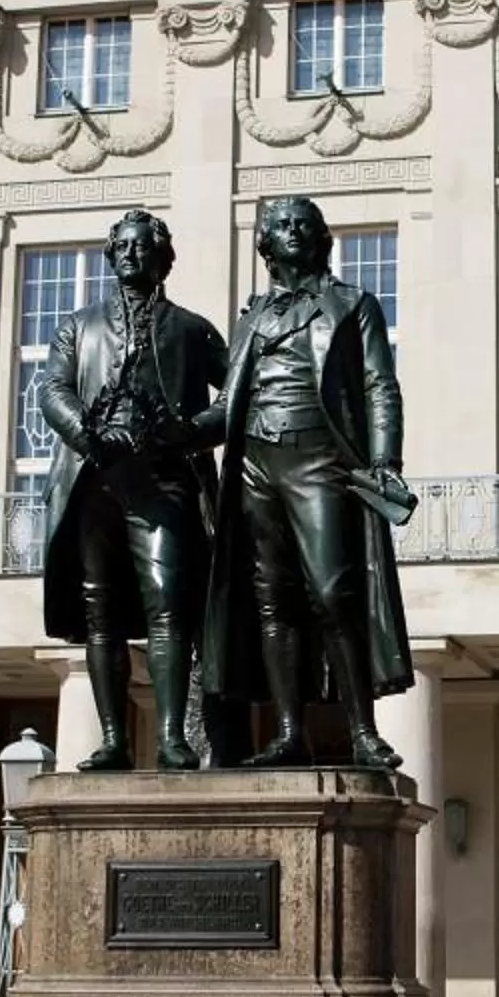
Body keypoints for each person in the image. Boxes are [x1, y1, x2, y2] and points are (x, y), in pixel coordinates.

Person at [200, 195, 415, 770]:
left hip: (318, 457)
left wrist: (384, 459)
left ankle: (361, 729)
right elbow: (227, 409)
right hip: (254, 464)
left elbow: (379, 386)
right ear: (265, 245)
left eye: (303, 224)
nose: (292, 231)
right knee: (273, 601)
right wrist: (166, 433)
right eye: (280, 225)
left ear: (322, 240)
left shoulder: (353, 305)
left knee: (332, 591)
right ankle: (290, 730)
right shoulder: (251, 319)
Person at [36, 210, 229, 770]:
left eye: (143, 246)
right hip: (92, 479)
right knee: (101, 610)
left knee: (167, 600)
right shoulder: (78, 325)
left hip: (163, 480)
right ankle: (114, 738)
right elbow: (52, 389)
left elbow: (236, 397)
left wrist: (189, 433)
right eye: (121, 245)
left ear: (163, 257)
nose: (130, 253)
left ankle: (171, 737)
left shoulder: (191, 329)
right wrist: (88, 432)